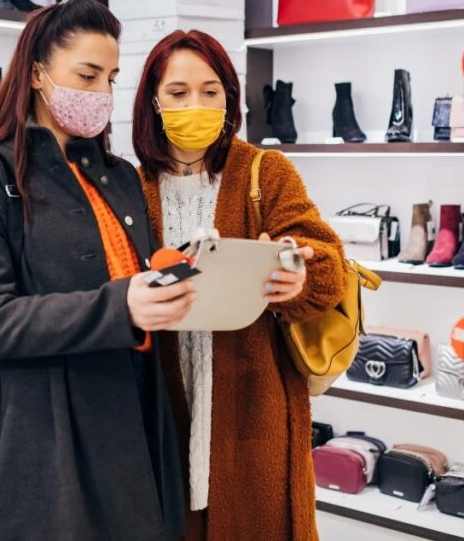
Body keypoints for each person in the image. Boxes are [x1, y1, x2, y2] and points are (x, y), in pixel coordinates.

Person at [0, 0, 189, 541]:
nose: (101, 93)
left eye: (111, 78)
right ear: (36, 73)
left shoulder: (120, 176)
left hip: (135, 426)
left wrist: (185, 275)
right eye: (87, 75)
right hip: (40, 444)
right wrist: (120, 305)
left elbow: (126, 276)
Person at [132, 29, 347, 540]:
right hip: (160, 395)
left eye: (211, 91)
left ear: (230, 98)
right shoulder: (131, 183)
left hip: (253, 398)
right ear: (153, 101)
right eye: (179, 92)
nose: (197, 104)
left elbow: (327, 263)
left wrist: (297, 275)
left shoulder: (262, 171)